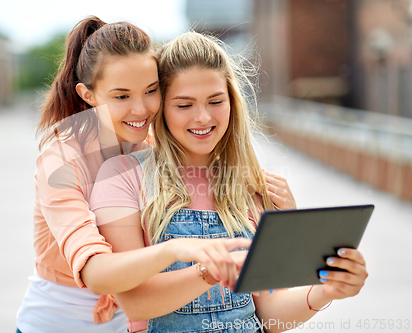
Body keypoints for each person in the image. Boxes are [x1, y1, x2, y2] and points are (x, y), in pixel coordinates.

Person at [89, 32, 368, 333]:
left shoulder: (253, 187)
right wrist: (210, 272)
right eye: (184, 105)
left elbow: (270, 313)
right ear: (161, 110)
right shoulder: (122, 177)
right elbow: (137, 303)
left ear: (232, 101)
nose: (203, 117)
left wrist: (327, 290)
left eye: (215, 101)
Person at [16, 17, 254, 333]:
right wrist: (176, 249)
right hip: (62, 323)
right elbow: (96, 273)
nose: (141, 109)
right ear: (88, 95)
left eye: (150, 91)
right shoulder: (60, 162)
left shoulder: (151, 147)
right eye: (121, 96)